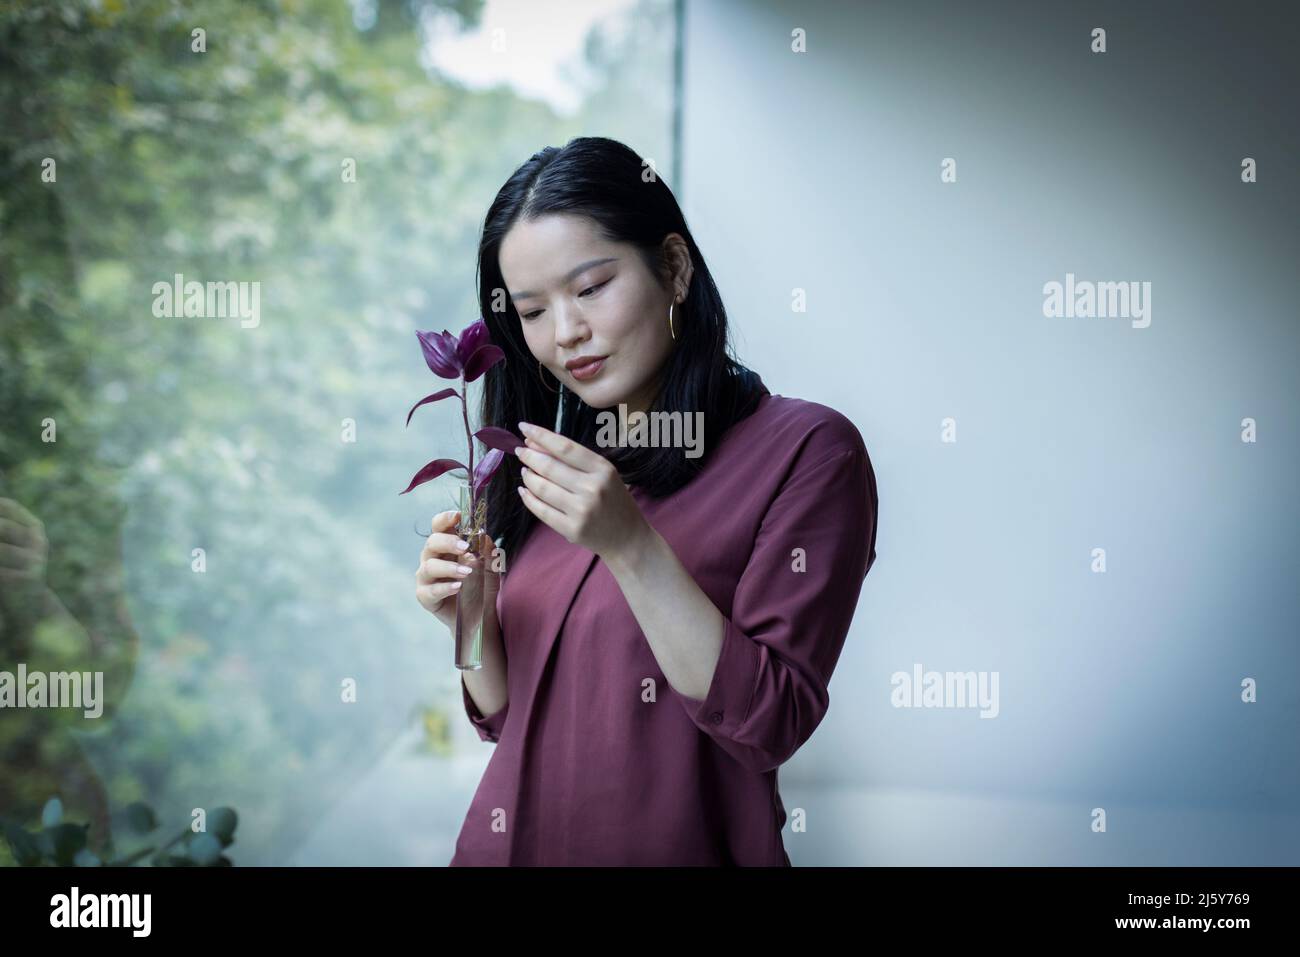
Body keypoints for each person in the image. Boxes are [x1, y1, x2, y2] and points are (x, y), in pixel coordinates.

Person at [414, 136, 879, 865]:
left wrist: (629, 545)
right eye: (533, 311)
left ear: (674, 267)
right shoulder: (545, 468)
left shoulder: (809, 449)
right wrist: (469, 616)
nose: (566, 333)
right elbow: (509, 717)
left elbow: (767, 722)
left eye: (592, 287)